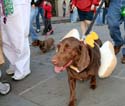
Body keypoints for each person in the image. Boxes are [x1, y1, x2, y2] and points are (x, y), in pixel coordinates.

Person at [1, 0, 31, 80]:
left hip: (17, 3)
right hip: (3, 5)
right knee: (5, 39)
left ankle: (23, 69)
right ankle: (14, 64)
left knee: (19, 37)